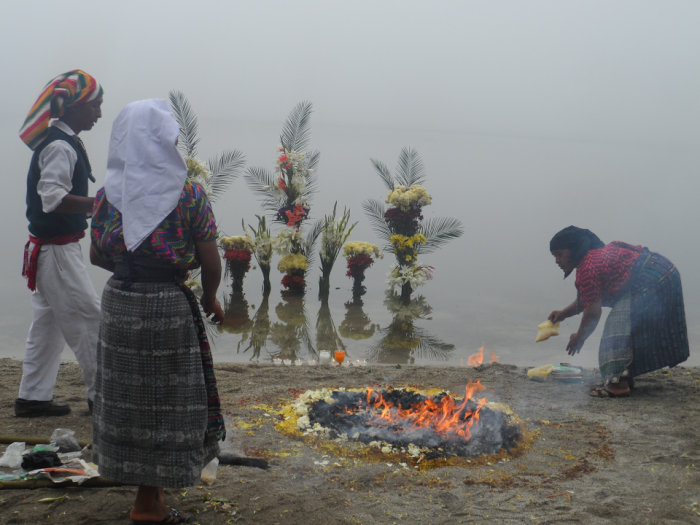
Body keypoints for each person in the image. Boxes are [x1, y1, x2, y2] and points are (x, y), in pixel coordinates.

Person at [90, 99, 226, 524]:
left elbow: (96, 256)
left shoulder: (108, 193)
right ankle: (147, 506)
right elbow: (210, 260)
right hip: (166, 306)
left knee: (128, 399)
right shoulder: (187, 193)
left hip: (119, 302)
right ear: (167, 141)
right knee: (166, 402)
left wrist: (132, 270)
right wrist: (210, 298)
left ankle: (149, 494)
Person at [16, 70, 104, 417]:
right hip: (57, 252)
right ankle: (103, 398)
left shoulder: (60, 140)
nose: (98, 113)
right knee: (89, 320)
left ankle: (32, 399)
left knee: (48, 326)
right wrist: (99, 204)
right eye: (95, 105)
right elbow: (51, 197)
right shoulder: (58, 145)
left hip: (48, 248)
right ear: (73, 107)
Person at [548, 226, 689, 397]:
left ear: (574, 250)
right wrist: (563, 314)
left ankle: (618, 386)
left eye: (559, 254)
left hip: (653, 280)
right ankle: (624, 378)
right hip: (664, 272)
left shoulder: (587, 267)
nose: (556, 261)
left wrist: (579, 337)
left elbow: (592, 312)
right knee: (632, 330)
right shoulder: (594, 257)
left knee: (616, 330)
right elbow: (590, 297)